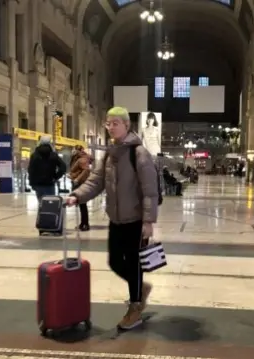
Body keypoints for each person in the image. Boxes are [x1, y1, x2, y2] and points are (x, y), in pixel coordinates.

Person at [66, 106, 159, 330]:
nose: (111, 127)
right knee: (115, 261)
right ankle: (140, 288)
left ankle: (135, 307)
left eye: (115, 123)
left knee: (134, 263)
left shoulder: (139, 153)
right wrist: (76, 196)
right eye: (108, 123)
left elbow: (150, 190)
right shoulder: (109, 154)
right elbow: (96, 182)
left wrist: (148, 222)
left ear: (127, 125)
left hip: (135, 219)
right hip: (116, 219)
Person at [28, 135, 66, 201]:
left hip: (38, 184)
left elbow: (31, 170)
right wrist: (56, 177)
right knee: (50, 204)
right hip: (50, 184)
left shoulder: (34, 155)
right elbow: (63, 167)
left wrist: (32, 183)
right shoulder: (53, 155)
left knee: (41, 204)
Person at [69, 145, 91, 231]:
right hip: (78, 182)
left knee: (82, 204)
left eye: (74, 149)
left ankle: (85, 224)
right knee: (82, 204)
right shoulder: (77, 157)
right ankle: (83, 223)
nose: (73, 151)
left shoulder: (81, 158)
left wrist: (77, 179)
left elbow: (86, 170)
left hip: (80, 183)